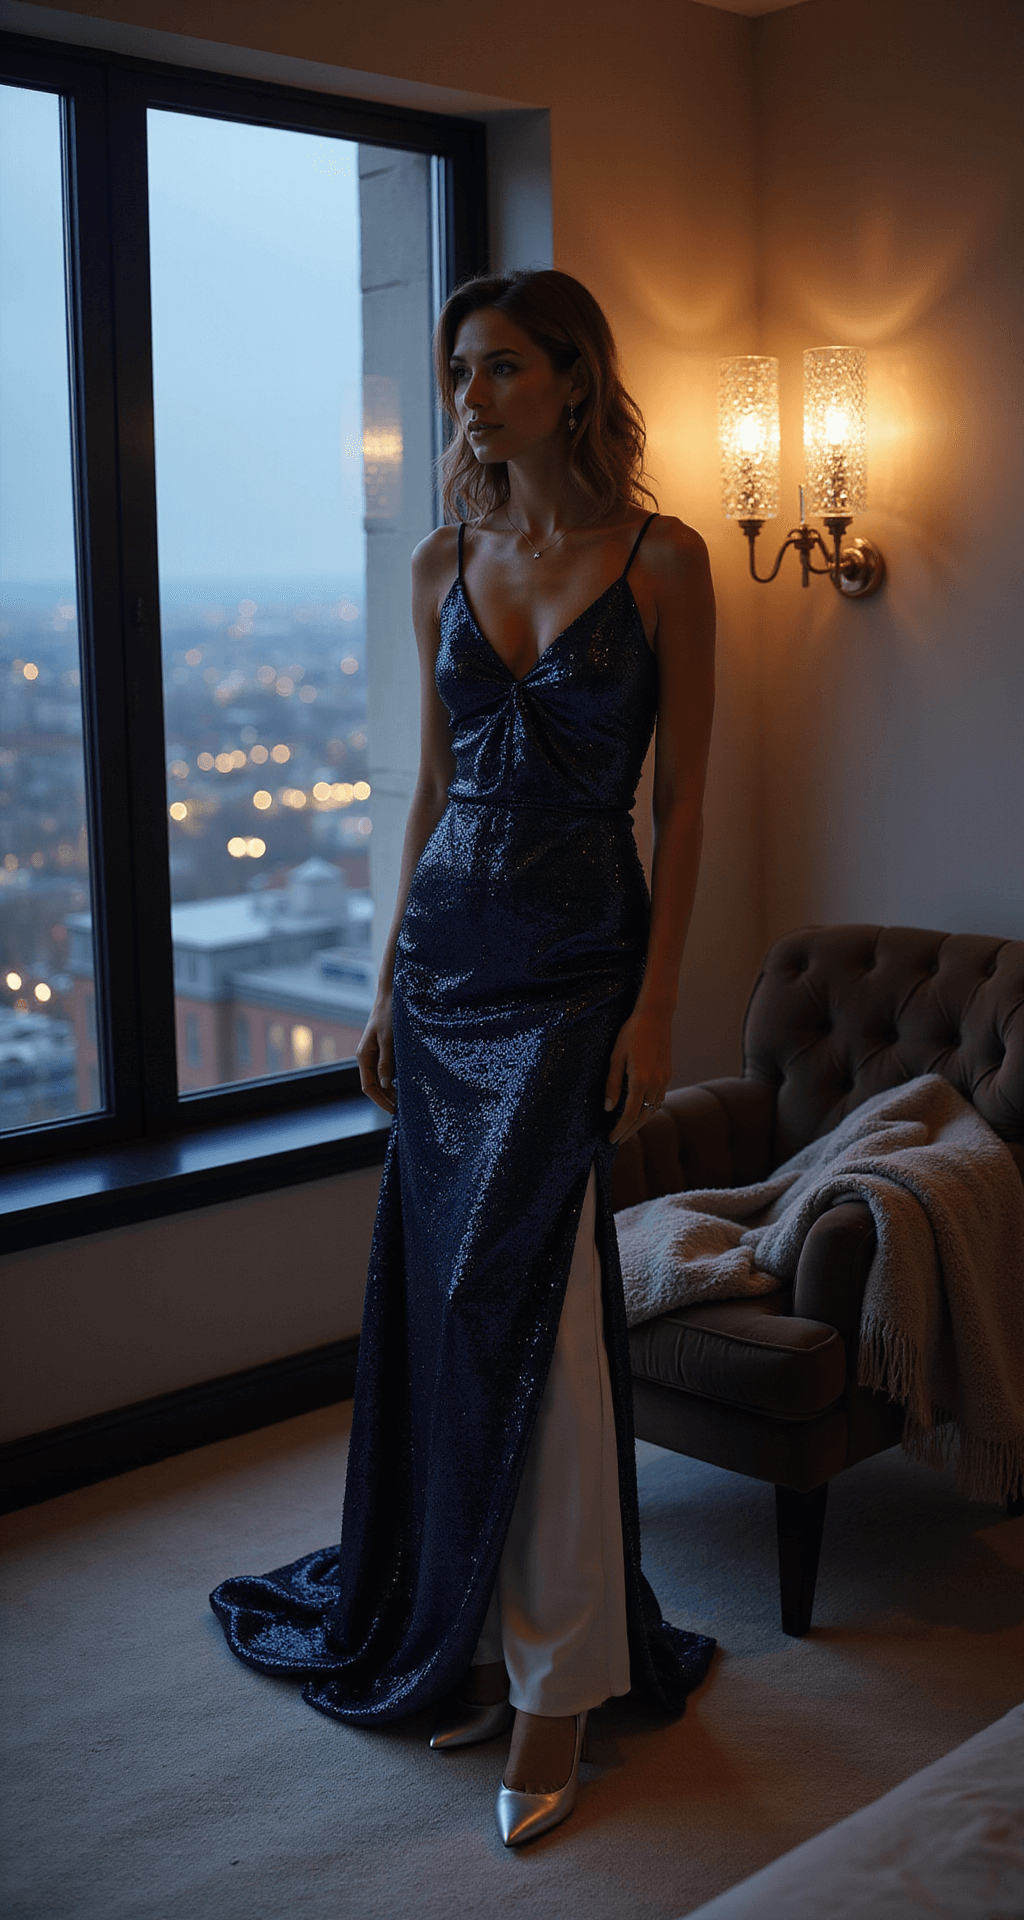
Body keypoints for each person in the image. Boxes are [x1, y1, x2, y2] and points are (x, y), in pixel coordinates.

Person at [211, 268, 717, 1847]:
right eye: (455, 372)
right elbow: (429, 795)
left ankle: (564, 1671)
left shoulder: (667, 559)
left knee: (542, 1308)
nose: (469, 399)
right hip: (444, 967)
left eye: (498, 367)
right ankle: (480, 1636)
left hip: (577, 967)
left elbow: (685, 801)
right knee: (450, 1310)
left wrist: (655, 1006)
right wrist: (383, 988)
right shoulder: (441, 559)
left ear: (574, 378)